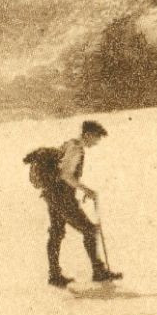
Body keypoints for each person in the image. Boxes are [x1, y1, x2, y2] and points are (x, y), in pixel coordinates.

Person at [39, 120, 120, 287]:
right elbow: (65, 175)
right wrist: (86, 190)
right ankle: (98, 271)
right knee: (89, 230)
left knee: (56, 232)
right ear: (88, 135)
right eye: (96, 138)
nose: (97, 142)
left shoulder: (69, 144)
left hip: (52, 195)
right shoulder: (76, 149)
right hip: (62, 197)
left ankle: (54, 275)